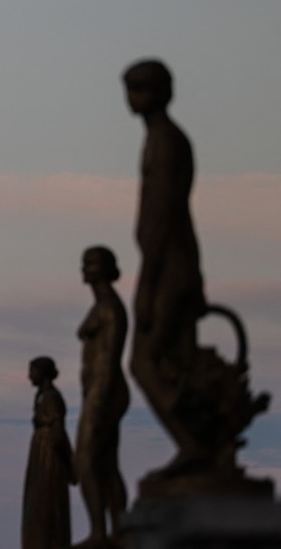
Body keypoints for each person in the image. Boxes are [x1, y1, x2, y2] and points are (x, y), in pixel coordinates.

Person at [123, 59, 208, 478]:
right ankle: (198, 448)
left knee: (143, 360)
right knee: (178, 360)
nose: (130, 98)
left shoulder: (163, 141)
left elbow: (161, 216)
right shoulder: (169, 139)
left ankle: (192, 446)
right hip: (181, 264)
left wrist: (146, 285)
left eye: (137, 88)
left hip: (168, 266)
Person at [74, 247, 129, 547]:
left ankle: (101, 532)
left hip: (104, 390)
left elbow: (109, 360)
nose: (84, 268)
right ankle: (115, 530)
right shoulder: (102, 306)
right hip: (97, 391)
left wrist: (97, 400)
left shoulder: (109, 308)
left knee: (86, 460)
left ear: (105, 269)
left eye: (90, 263)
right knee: (105, 463)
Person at [23, 356, 74, 549]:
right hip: (41, 453)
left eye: (32, 371)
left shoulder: (52, 398)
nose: (29, 376)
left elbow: (59, 432)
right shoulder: (43, 397)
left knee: (47, 503)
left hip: (48, 456)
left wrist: (68, 462)